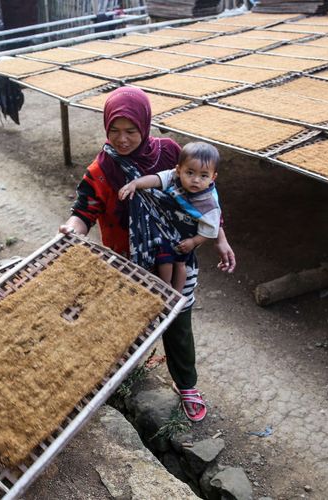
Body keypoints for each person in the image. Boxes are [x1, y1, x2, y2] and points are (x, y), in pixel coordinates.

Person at [59, 87, 235, 422]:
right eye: (114, 130)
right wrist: (72, 228)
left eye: (131, 131)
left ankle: (187, 384)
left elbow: (203, 200)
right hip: (127, 259)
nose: (122, 140)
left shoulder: (170, 153)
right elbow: (84, 210)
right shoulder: (102, 168)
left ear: (145, 125)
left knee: (177, 319)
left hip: (175, 250)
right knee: (127, 318)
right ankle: (117, 376)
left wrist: (220, 239)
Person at [117, 142, 222, 294]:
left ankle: (176, 295)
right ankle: (166, 287)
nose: (196, 180)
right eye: (190, 173)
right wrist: (135, 183)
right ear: (179, 170)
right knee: (163, 257)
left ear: (213, 177)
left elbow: (210, 230)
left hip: (187, 238)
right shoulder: (173, 177)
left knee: (180, 264)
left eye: (203, 175)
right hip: (167, 227)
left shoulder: (209, 204)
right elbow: (156, 180)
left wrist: (193, 242)